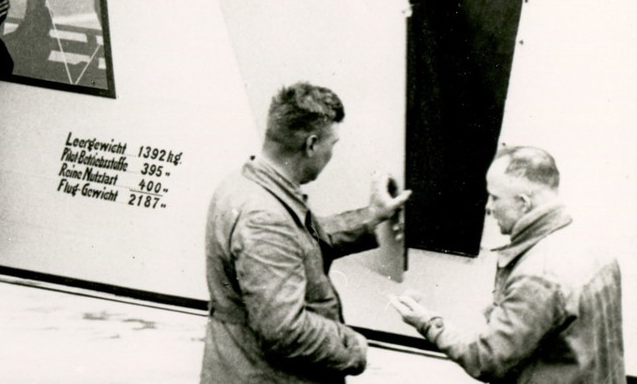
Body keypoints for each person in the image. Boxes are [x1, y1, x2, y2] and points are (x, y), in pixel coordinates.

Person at [200, 82, 411, 383]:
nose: (332, 153)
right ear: (311, 145)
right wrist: (352, 347)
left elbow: (300, 239)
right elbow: (285, 330)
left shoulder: (245, 185)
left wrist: (372, 215)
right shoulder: (264, 218)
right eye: (332, 144)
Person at [390, 146, 624, 383]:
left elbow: (485, 360)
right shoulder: (592, 244)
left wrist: (427, 323)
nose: (488, 207)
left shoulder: (538, 275)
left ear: (523, 203)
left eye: (494, 197)